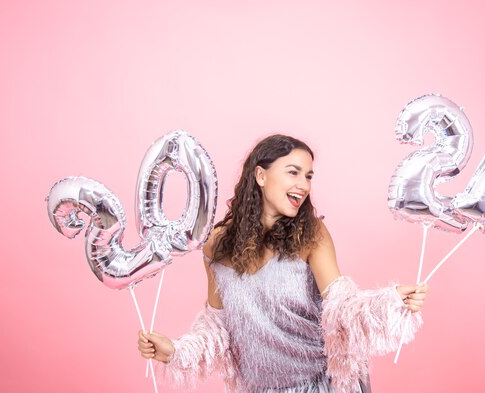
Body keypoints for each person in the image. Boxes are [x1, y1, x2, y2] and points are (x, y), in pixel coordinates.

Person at [137, 135, 428, 393]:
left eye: (309, 176)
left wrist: (388, 302)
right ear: (261, 176)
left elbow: (342, 307)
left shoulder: (311, 234)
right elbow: (218, 326)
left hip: (320, 384)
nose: (303, 185)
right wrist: (174, 351)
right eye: (293, 173)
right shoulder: (217, 245)